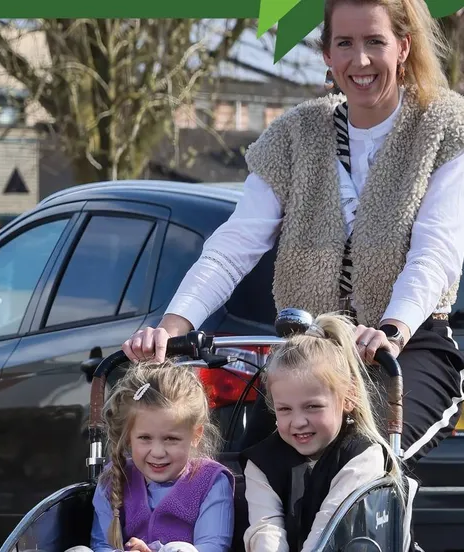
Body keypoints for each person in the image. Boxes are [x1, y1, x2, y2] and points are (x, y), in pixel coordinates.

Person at [123, 0, 464, 475]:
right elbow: (233, 246)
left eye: (374, 42)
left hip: (405, 348)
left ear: (403, 47)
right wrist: (171, 328)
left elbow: (437, 251)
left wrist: (391, 331)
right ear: (327, 53)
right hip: (307, 355)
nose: (359, 60)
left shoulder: (445, 125)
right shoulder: (294, 136)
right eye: (344, 43)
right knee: (248, 478)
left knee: (363, 464)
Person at [240, 312, 407, 552]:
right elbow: (265, 527)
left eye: (313, 406)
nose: (298, 421)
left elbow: (329, 529)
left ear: (348, 397)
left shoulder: (363, 455)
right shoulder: (262, 461)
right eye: (285, 409)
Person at [66, 361, 235, 552]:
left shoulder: (210, 481)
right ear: (129, 437)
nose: (157, 452)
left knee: (180, 549)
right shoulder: (115, 477)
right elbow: (102, 545)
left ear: (195, 436)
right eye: (145, 438)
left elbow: (213, 547)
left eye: (171, 439)